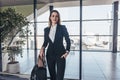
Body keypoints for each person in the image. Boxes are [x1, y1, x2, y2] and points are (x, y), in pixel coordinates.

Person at [39, 10, 71, 80]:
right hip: (50, 55)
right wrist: (42, 48)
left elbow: (68, 40)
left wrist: (67, 52)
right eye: (53, 16)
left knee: (60, 77)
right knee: (52, 77)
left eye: (56, 16)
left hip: (61, 55)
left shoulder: (62, 28)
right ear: (50, 17)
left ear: (58, 18)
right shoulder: (46, 30)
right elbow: (46, 42)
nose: (54, 18)